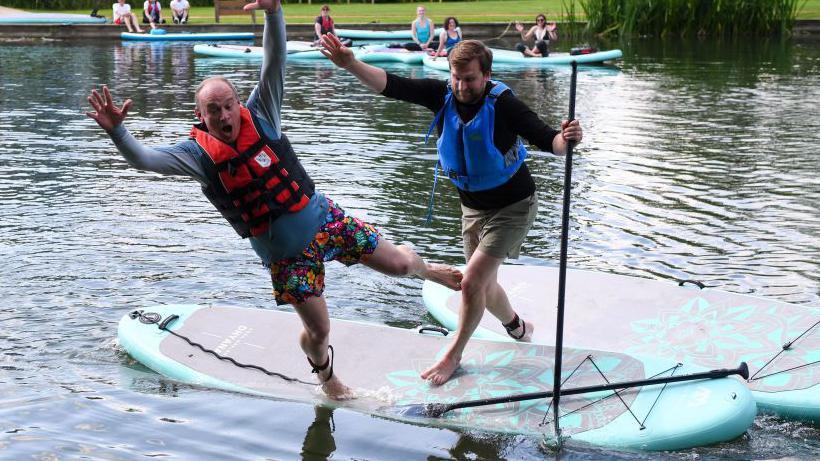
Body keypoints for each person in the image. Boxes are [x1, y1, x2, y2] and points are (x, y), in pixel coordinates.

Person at [86, 0, 462, 400]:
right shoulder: (196, 156)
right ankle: (327, 379)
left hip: (324, 220)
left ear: (237, 103)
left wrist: (273, 11)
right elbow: (145, 160)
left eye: (229, 105)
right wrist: (118, 133)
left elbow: (274, 57)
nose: (226, 116)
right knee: (319, 331)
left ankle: (429, 270)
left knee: (402, 264)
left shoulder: (262, 113)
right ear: (201, 116)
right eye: (214, 111)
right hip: (287, 259)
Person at [320, 36, 583, 385]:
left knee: (471, 282)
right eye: (456, 77)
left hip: (514, 207)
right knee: (483, 287)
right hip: (472, 210)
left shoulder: (504, 105)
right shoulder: (441, 95)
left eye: (470, 79)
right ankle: (518, 327)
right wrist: (351, 64)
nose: (461, 86)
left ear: (486, 75)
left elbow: (549, 140)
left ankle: (453, 355)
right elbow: (393, 85)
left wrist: (568, 138)